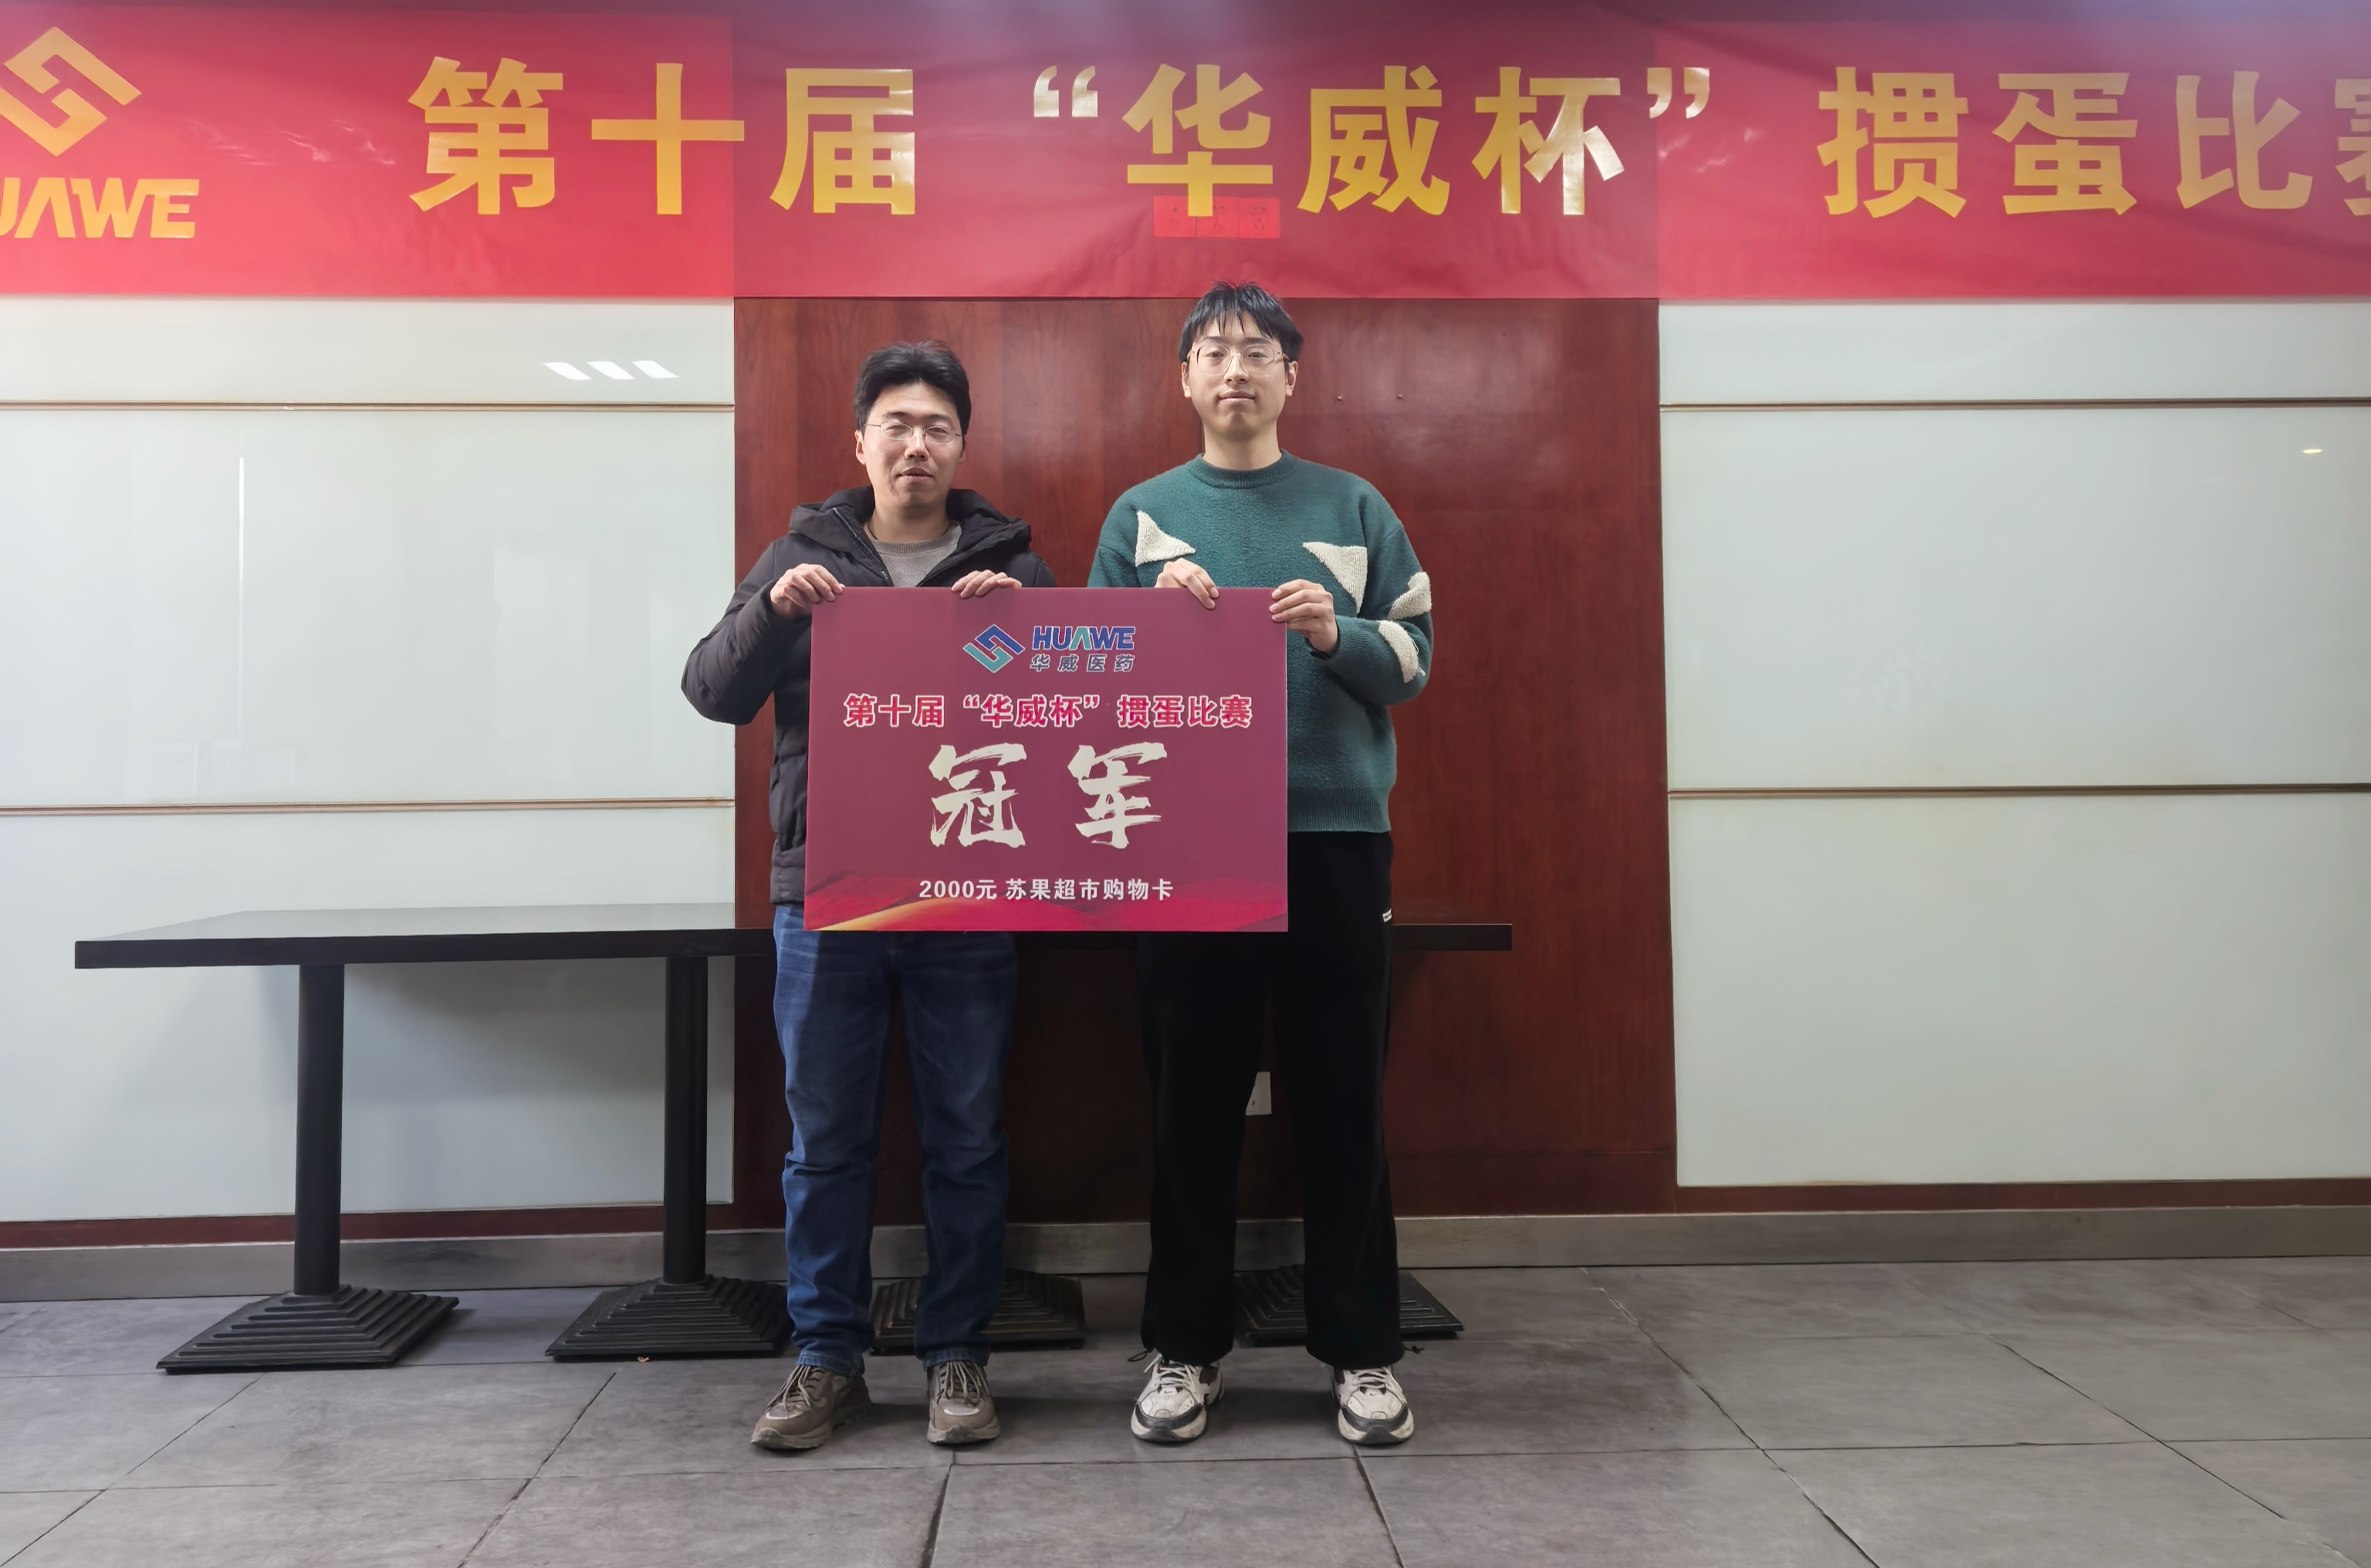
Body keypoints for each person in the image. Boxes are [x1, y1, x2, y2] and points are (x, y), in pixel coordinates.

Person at [682, 340, 1054, 1451]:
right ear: (861, 442)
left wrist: (1024, 635)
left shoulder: (1013, 566)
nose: (916, 444)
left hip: (965, 888)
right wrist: (774, 612)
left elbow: (1067, 728)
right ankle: (825, 1360)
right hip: (826, 895)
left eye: (937, 426)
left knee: (968, 1138)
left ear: (961, 446)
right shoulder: (799, 556)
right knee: (825, 1142)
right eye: (897, 423)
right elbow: (710, 689)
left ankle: (957, 1354)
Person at [1088, 282, 1435, 1446]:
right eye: (1213, 351)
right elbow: (1088, 677)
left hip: (1336, 839)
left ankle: (1363, 1352)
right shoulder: (1142, 516)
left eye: (1256, 351)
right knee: (1191, 1103)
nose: (1235, 369)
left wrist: (1337, 634)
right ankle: (1184, 1348)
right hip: (1186, 847)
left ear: (1292, 376)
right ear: (1184, 379)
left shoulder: (1354, 505)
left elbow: (1417, 655)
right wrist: (1153, 623)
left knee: (1343, 1099)